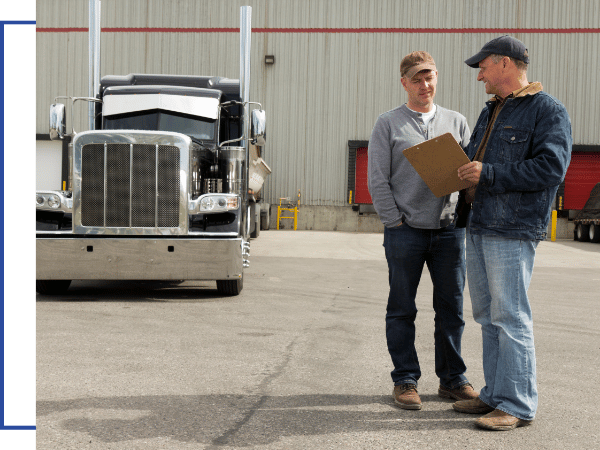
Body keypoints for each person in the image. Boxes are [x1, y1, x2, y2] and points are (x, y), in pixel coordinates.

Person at [454, 36, 572, 430]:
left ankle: (518, 404)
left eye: (483, 67)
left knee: (511, 317)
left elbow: (551, 170)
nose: (479, 76)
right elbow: (477, 161)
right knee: (488, 316)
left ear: (505, 64)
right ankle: (494, 395)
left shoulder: (547, 111)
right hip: (479, 224)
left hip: (511, 228)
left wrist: (487, 173)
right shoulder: (492, 111)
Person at [368, 51, 478, 410]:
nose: (424, 85)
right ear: (404, 83)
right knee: (402, 308)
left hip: (449, 231)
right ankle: (405, 380)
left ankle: (452, 380)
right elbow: (378, 180)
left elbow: (469, 175)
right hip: (405, 232)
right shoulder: (388, 124)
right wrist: (394, 220)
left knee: (452, 308)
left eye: (429, 77)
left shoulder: (457, 121)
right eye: (416, 79)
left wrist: (462, 214)